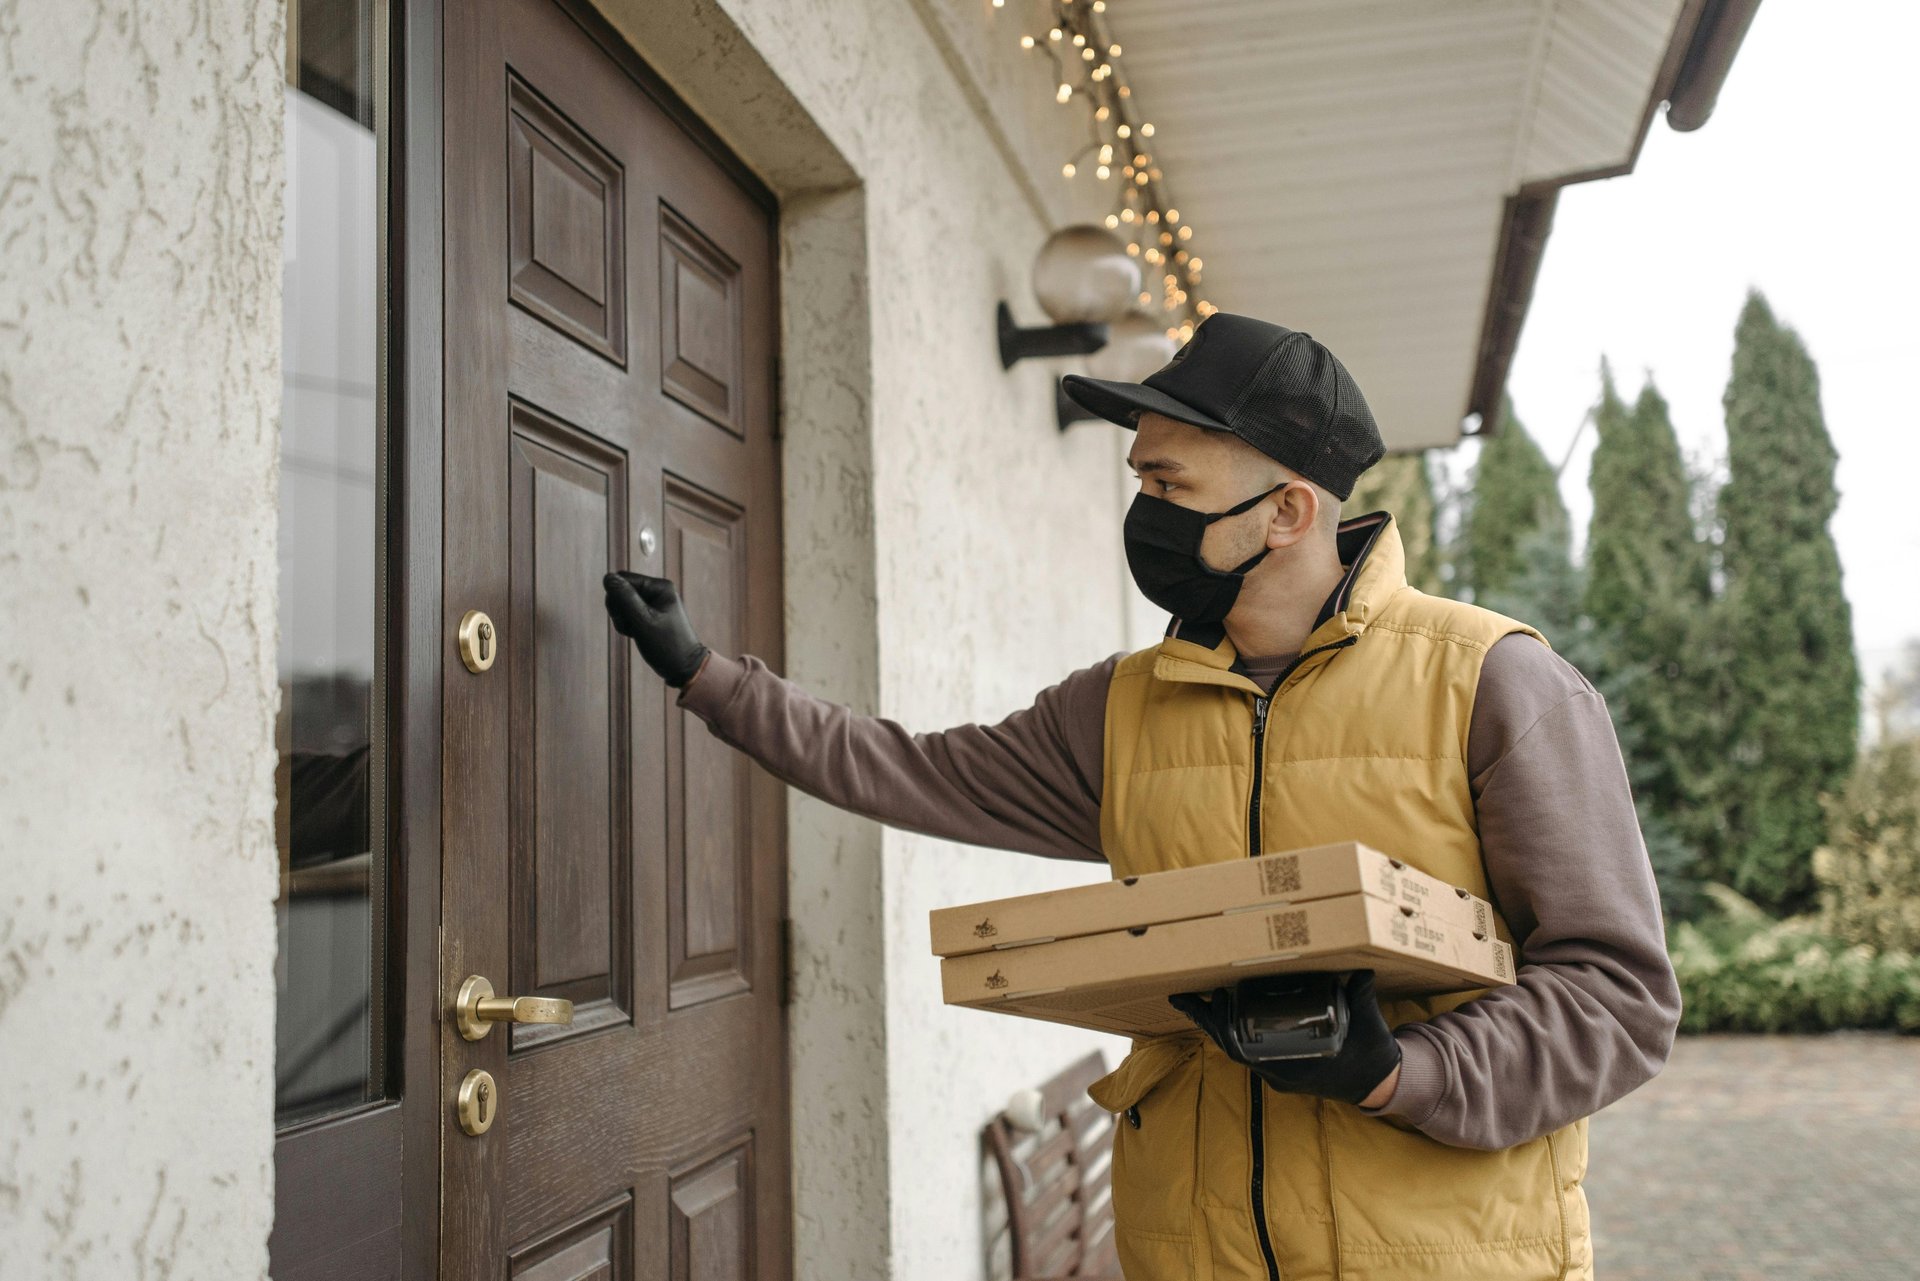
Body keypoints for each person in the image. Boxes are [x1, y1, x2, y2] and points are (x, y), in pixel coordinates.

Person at [604, 312, 1679, 1281]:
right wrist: (707, 676)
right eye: (1140, 483)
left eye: (1169, 488)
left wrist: (1397, 1072)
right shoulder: (1119, 707)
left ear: (1288, 511)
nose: (1142, 512)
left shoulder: (1493, 681)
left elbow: (1618, 996)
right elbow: (908, 767)